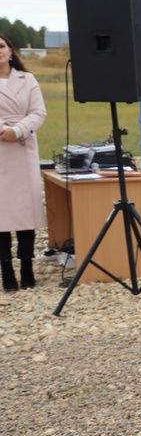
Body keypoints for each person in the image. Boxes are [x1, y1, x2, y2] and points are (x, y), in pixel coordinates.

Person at [0, 34, 47, 291]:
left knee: (26, 213)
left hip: (23, 147)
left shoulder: (27, 79)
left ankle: (27, 267)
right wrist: (3, 130)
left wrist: (17, 130)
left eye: (1, 46)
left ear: (10, 50)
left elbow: (39, 112)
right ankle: (6, 270)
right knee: (2, 215)